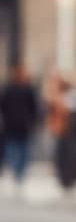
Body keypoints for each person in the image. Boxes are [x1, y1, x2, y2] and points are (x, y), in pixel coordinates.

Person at [0, 63, 39, 192]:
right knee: (15, 149)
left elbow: (34, 108)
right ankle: (17, 171)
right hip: (14, 125)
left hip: (21, 126)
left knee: (22, 150)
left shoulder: (27, 89)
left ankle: (19, 172)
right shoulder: (10, 89)